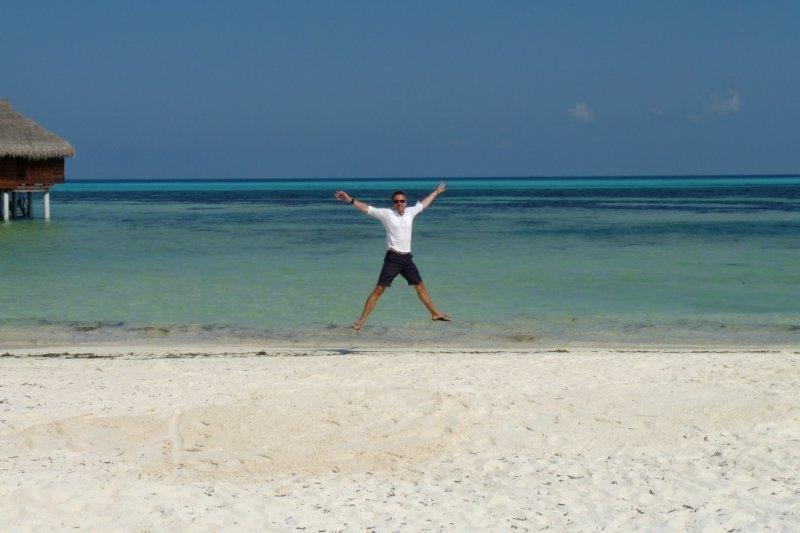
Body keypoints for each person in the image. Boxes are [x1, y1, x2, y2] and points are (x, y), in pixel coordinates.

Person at [334, 184, 451, 330]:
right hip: (393, 259)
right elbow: (367, 209)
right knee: (379, 289)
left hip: (407, 259)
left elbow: (424, 204)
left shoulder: (410, 212)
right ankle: (360, 321)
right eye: (396, 201)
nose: (399, 203)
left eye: (402, 201)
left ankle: (435, 314)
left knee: (420, 286)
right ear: (393, 203)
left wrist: (436, 192)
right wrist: (349, 200)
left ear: (406, 202)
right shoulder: (387, 214)